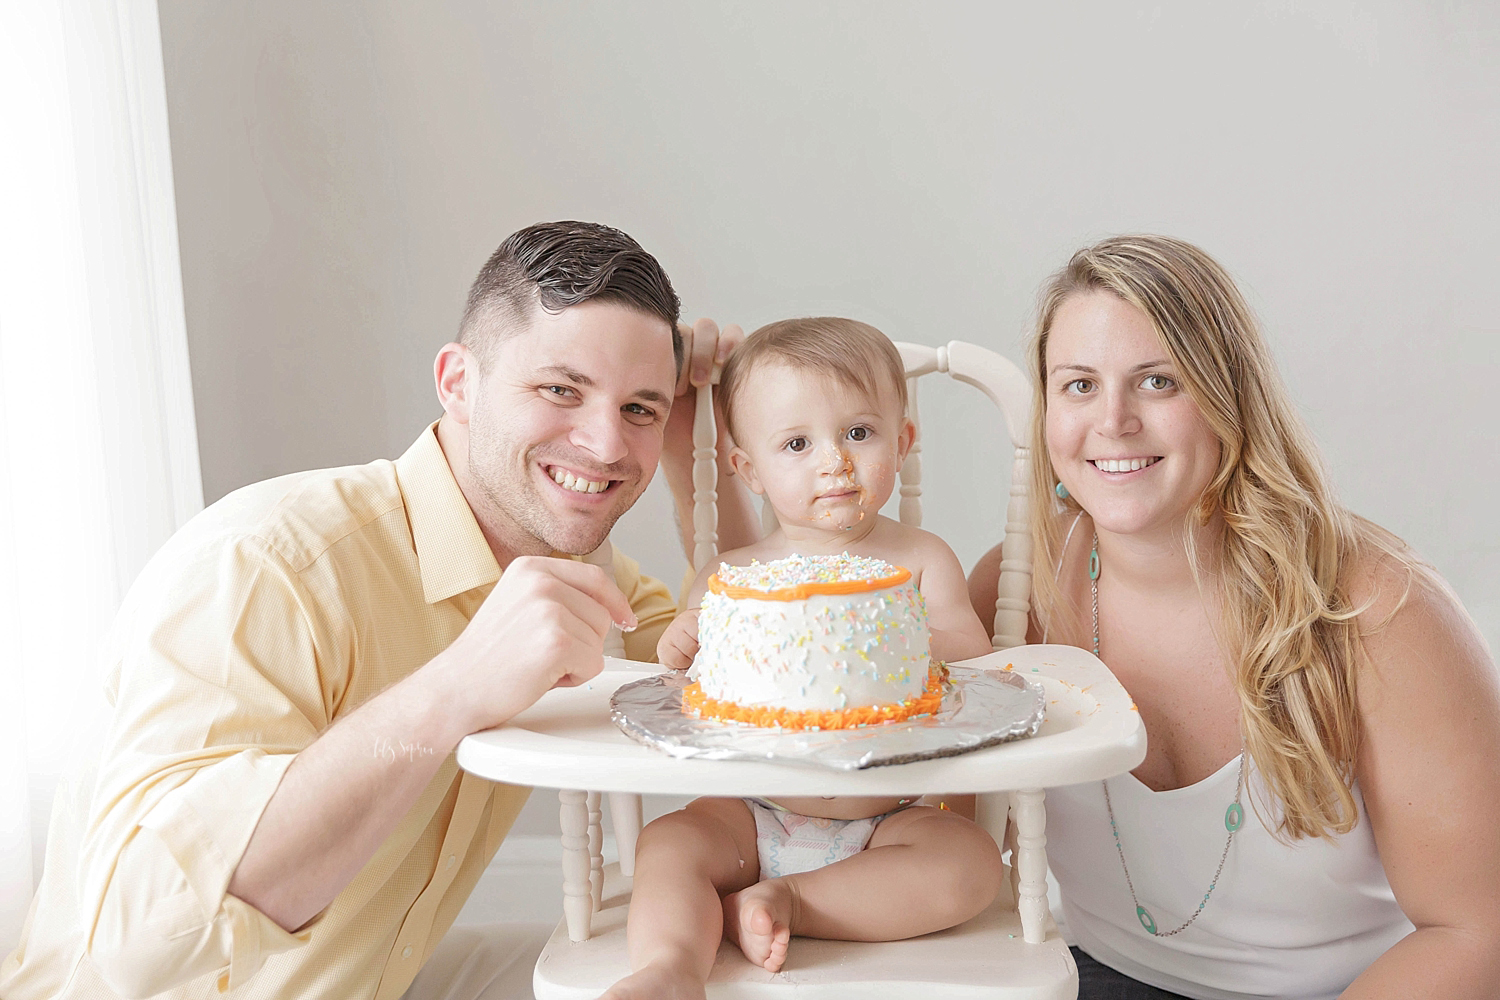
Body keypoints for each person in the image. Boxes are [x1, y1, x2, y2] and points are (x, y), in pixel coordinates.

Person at [0, 221, 759, 1000]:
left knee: (714, 977)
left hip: (373, 981)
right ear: (457, 382)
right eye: (560, 390)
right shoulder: (269, 564)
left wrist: (692, 458)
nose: (605, 444)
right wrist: (453, 692)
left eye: (639, 408)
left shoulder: (585, 582)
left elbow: (745, 685)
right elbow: (137, 947)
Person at [967, 235, 1500, 999]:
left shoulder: (1377, 610)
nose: (1112, 420)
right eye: (1078, 385)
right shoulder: (1020, 590)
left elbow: (1477, 934)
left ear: (1228, 398)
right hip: (1091, 978)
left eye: (1157, 381)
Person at [603, 317, 1001, 1000]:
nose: (834, 461)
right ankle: (669, 967)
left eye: (858, 433)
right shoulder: (732, 575)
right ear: (749, 469)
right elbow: (690, 681)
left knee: (971, 866)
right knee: (669, 844)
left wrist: (869, 633)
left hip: (887, 814)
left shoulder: (920, 559)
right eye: (797, 443)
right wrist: (682, 647)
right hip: (751, 812)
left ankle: (792, 902)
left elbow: (972, 660)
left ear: (902, 442)